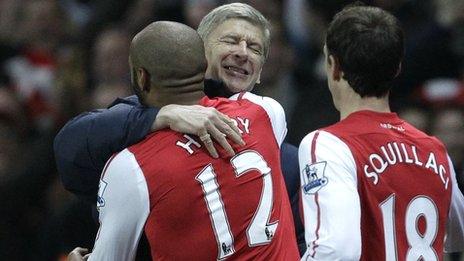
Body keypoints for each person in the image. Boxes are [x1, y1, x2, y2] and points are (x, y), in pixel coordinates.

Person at [54, 2, 305, 254]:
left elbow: (300, 240)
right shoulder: (141, 115)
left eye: (255, 48)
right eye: (230, 41)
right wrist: (160, 115)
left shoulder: (283, 151)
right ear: (199, 54)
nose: (243, 53)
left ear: (260, 71)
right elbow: (71, 143)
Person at [298, 4, 464, 260]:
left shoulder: (327, 143)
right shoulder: (435, 149)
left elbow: (336, 250)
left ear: (334, 66)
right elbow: (458, 236)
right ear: (397, 68)